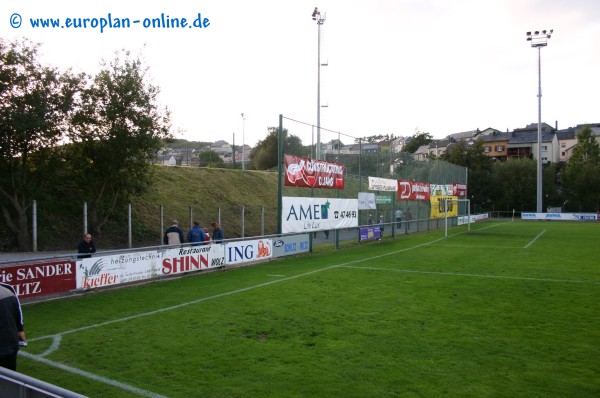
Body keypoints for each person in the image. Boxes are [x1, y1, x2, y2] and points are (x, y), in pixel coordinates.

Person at [0, 282, 26, 371]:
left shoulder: (7, 288)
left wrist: (20, 329)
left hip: (8, 340)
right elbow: (18, 310)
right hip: (11, 340)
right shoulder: (7, 289)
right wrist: (20, 329)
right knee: (10, 374)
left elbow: (17, 310)